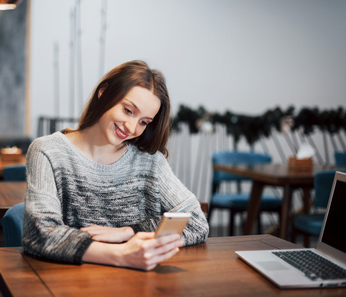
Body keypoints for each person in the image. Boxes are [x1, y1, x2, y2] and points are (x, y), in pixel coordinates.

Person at [23, 60, 209, 271]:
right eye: (128, 110)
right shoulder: (47, 151)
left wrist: (129, 231)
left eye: (144, 122)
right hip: (73, 282)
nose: (131, 127)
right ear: (103, 92)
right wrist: (121, 255)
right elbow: (41, 233)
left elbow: (196, 223)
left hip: (139, 283)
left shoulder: (150, 162)